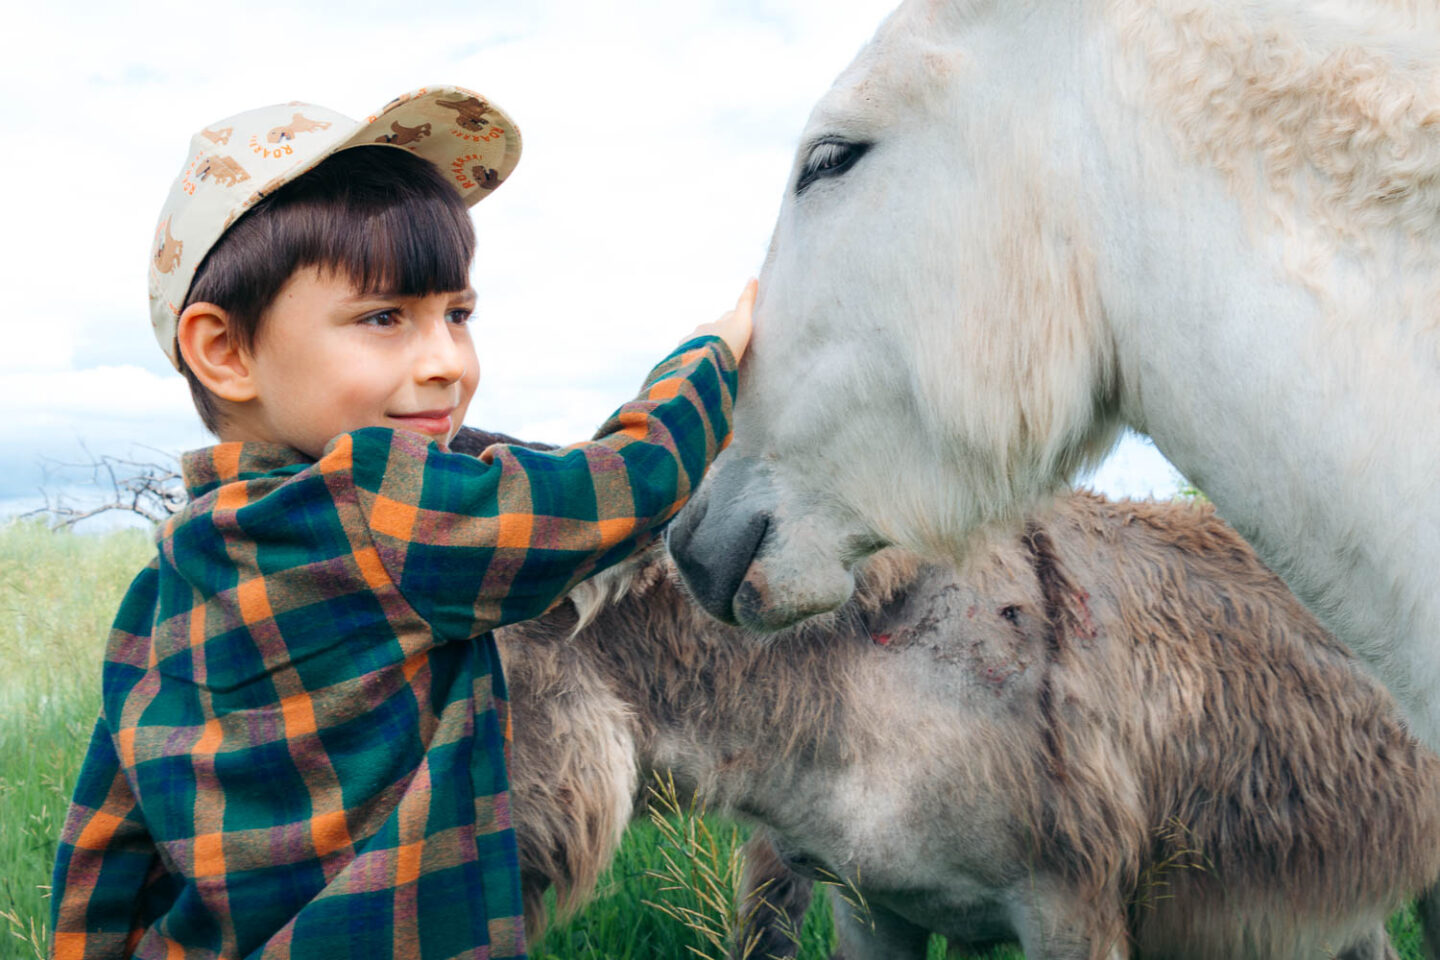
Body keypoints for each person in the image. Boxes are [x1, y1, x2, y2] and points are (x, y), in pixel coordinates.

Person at [49, 85, 752, 960]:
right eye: (384, 318)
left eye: (457, 314)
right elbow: (618, 488)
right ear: (225, 352)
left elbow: (104, 849)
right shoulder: (378, 510)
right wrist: (713, 358)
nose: (446, 362)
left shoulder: (162, 585)